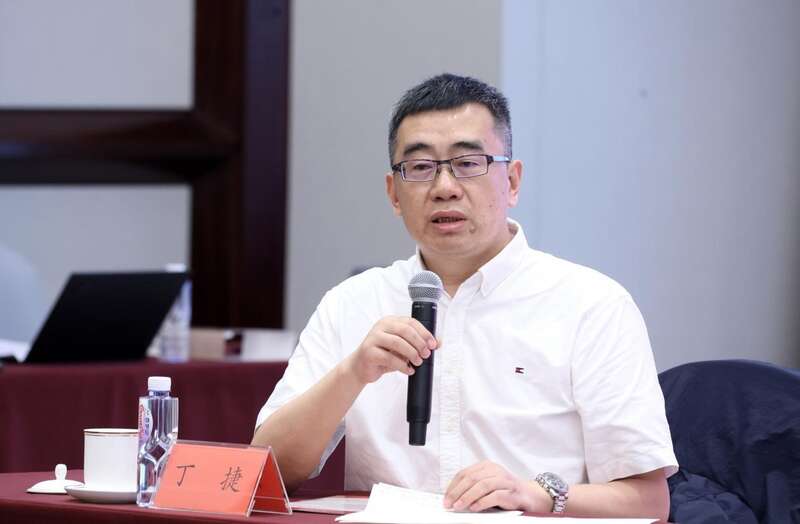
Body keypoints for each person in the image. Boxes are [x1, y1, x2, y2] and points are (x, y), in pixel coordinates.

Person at [252, 74, 677, 520]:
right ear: (394, 193)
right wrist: (352, 372)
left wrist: (534, 494)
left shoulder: (591, 304)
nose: (444, 187)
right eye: (420, 168)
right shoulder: (351, 303)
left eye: (469, 163)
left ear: (512, 181)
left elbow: (649, 502)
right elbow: (267, 474)